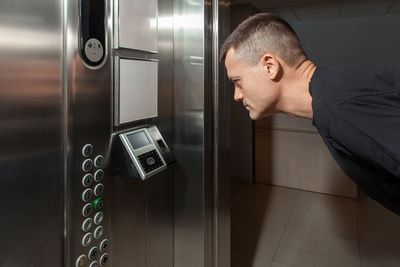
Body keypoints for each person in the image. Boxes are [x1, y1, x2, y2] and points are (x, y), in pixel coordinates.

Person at [220, 13, 400, 215]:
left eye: (237, 81)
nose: (236, 95)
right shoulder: (334, 93)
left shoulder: (338, 108)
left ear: (269, 66)